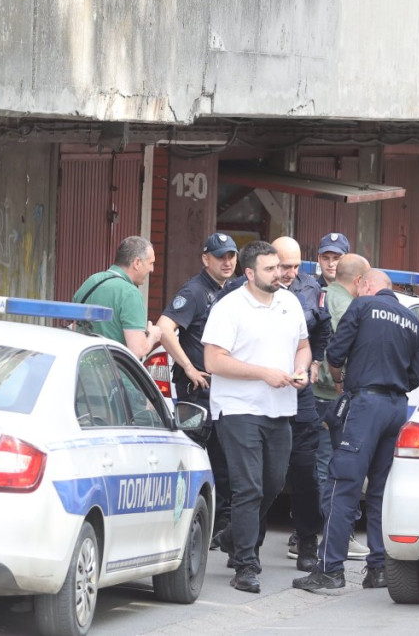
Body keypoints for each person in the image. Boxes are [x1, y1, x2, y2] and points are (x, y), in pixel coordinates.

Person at [293, 269, 419, 592]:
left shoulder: (363, 306)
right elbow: (418, 375)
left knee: (343, 485)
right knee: (379, 490)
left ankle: (330, 569)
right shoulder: (415, 323)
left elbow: (336, 353)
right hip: (396, 408)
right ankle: (378, 569)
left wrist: (341, 380)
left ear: (365, 285)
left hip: (365, 405)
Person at [203, 240, 312, 594]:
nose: (279, 274)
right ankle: (246, 565)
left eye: (279, 267)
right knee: (248, 487)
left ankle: (233, 536)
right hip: (238, 408)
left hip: (280, 407)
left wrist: (302, 368)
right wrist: (264, 374)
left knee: (274, 484)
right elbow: (213, 361)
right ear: (249, 273)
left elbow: (303, 346)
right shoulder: (229, 307)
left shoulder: (289, 302)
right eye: (270, 269)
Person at [155, 232, 237, 540]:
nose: (227, 262)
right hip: (197, 392)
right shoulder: (195, 291)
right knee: (193, 460)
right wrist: (189, 367)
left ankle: (216, 529)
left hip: (222, 391)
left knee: (222, 462)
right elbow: (164, 329)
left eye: (231, 256)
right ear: (205, 259)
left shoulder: (230, 290)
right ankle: (186, 528)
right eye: (220, 257)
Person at [272, 237, 332, 572]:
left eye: (296, 266)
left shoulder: (310, 288)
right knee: (264, 475)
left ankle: (307, 541)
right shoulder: (243, 292)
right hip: (263, 393)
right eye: (284, 266)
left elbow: (321, 330)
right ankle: (243, 542)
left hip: (300, 393)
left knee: (306, 470)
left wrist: (315, 362)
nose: (291, 273)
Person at [311, 252, 372, 559]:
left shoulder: (318, 295)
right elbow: (342, 349)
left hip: (313, 392)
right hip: (335, 395)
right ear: (359, 280)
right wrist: (343, 379)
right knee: (337, 469)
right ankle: (337, 536)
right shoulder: (349, 306)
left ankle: (306, 535)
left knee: (318, 465)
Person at [72, 235, 162, 358]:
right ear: (137, 263)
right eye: (150, 263)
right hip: (113, 369)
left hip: (82, 367)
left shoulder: (91, 281)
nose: (152, 269)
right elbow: (137, 350)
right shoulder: (130, 294)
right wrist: (153, 336)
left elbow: (75, 327)